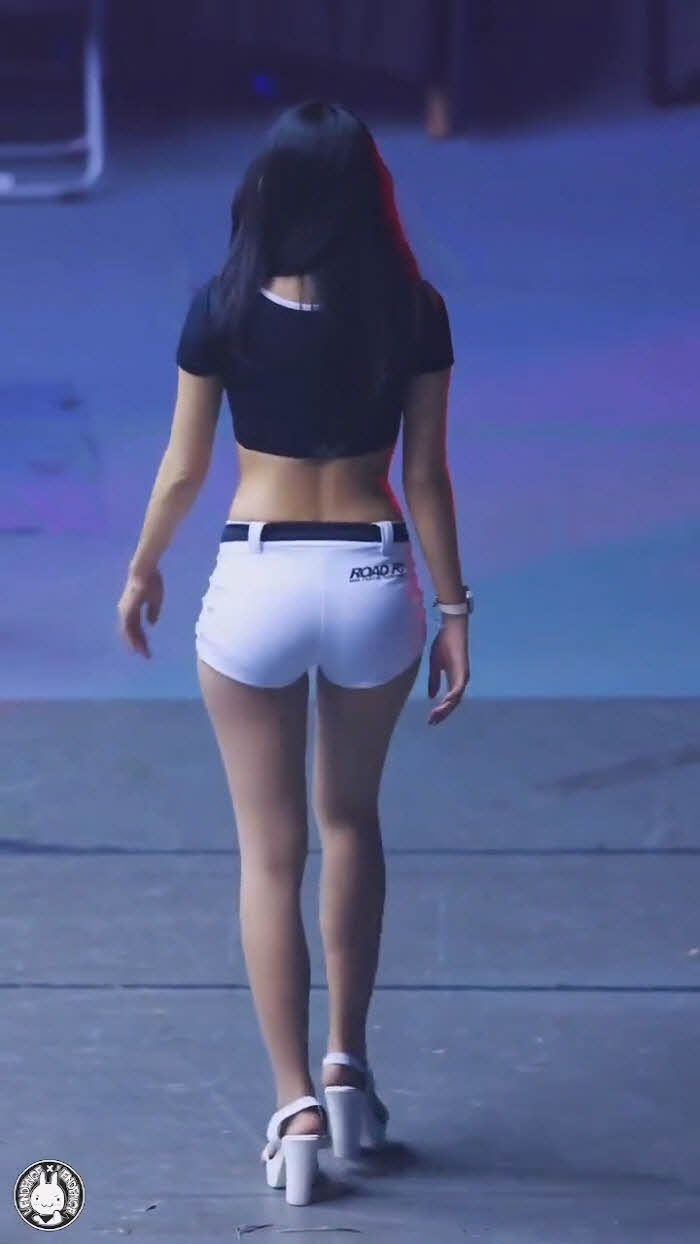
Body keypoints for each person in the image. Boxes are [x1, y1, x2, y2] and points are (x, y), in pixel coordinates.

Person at [117, 98, 470, 1205]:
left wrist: (143, 567)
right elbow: (426, 477)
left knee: (269, 855)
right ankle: (348, 1066)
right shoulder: (413, 310)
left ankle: (294, 1109)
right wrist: (454, 611)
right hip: (372, 576)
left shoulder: (221, 308)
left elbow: (183, 468)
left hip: (259, 578)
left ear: (266, 193)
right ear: (371, 193)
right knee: (349, 821)